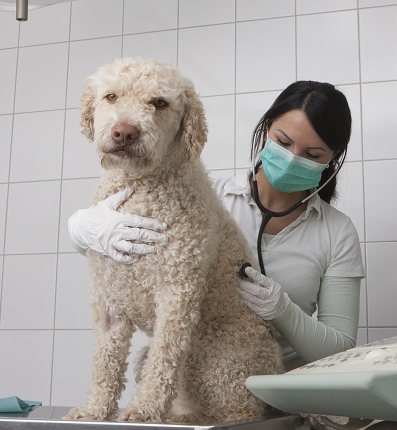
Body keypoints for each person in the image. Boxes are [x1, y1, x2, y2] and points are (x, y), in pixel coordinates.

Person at [68, 81, 364, 371]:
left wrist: (283, 312)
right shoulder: (204, 198)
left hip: (287, 398)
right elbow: (130, 246)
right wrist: (82, 229)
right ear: (265, 130)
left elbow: (338, 349)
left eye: (312, 155)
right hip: (195, 382)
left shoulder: (336, 232)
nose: (291, 160)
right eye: (283, 142)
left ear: (332, 159)